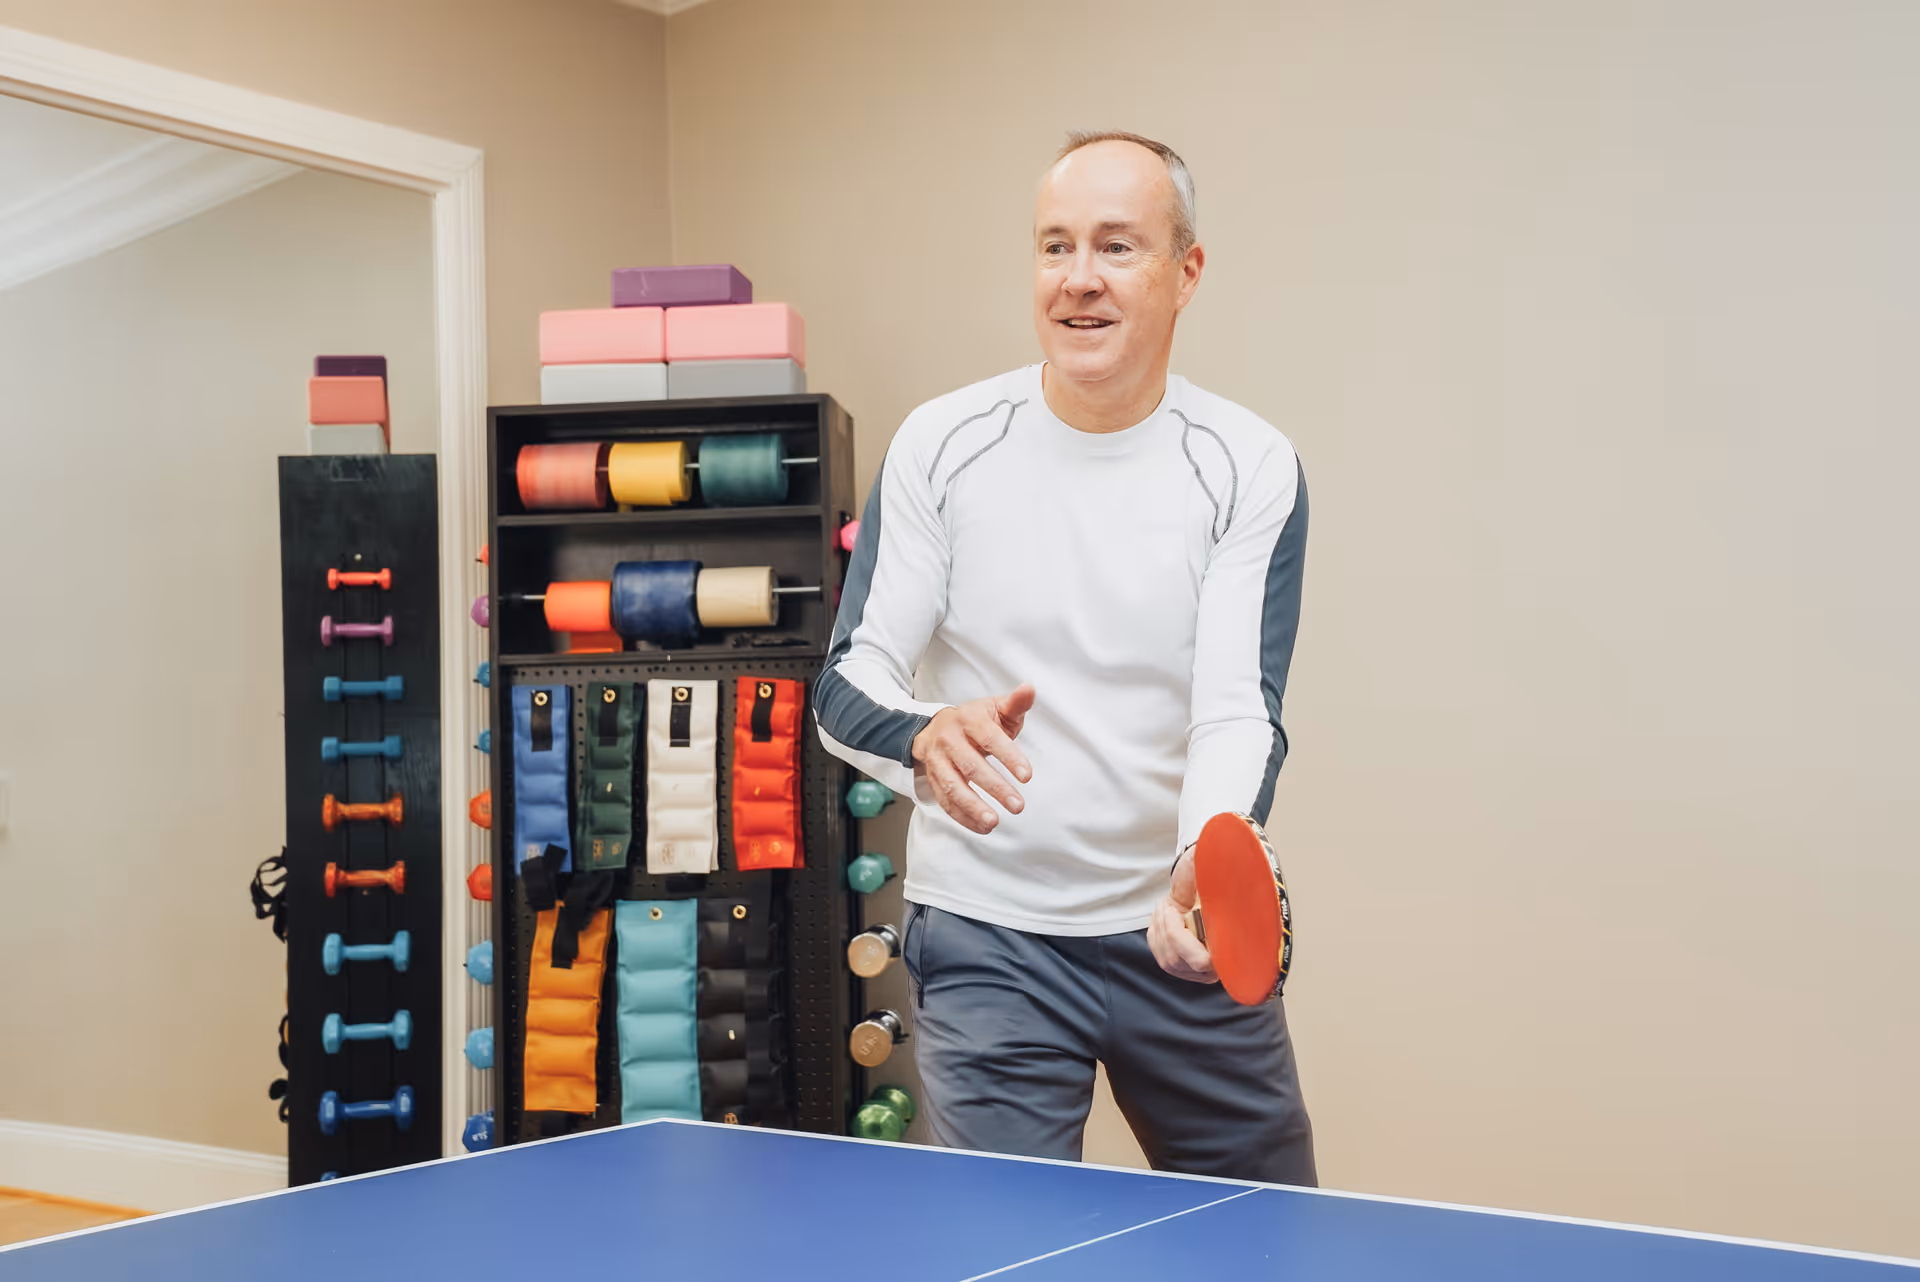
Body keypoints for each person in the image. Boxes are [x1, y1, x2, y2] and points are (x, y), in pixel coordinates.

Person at [814, 130, 1313, 1184]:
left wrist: (1206, 853)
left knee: (1269, 1245)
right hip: (989, 938)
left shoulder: (1248, 464)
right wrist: (922, 734)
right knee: (1013, 1251)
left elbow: (1236, 706)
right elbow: (844, 688)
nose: (1078, 279)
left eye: (1117, 247)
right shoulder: (942, 444)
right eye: (1054, 246)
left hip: (1175, 925)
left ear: (1187, 273)